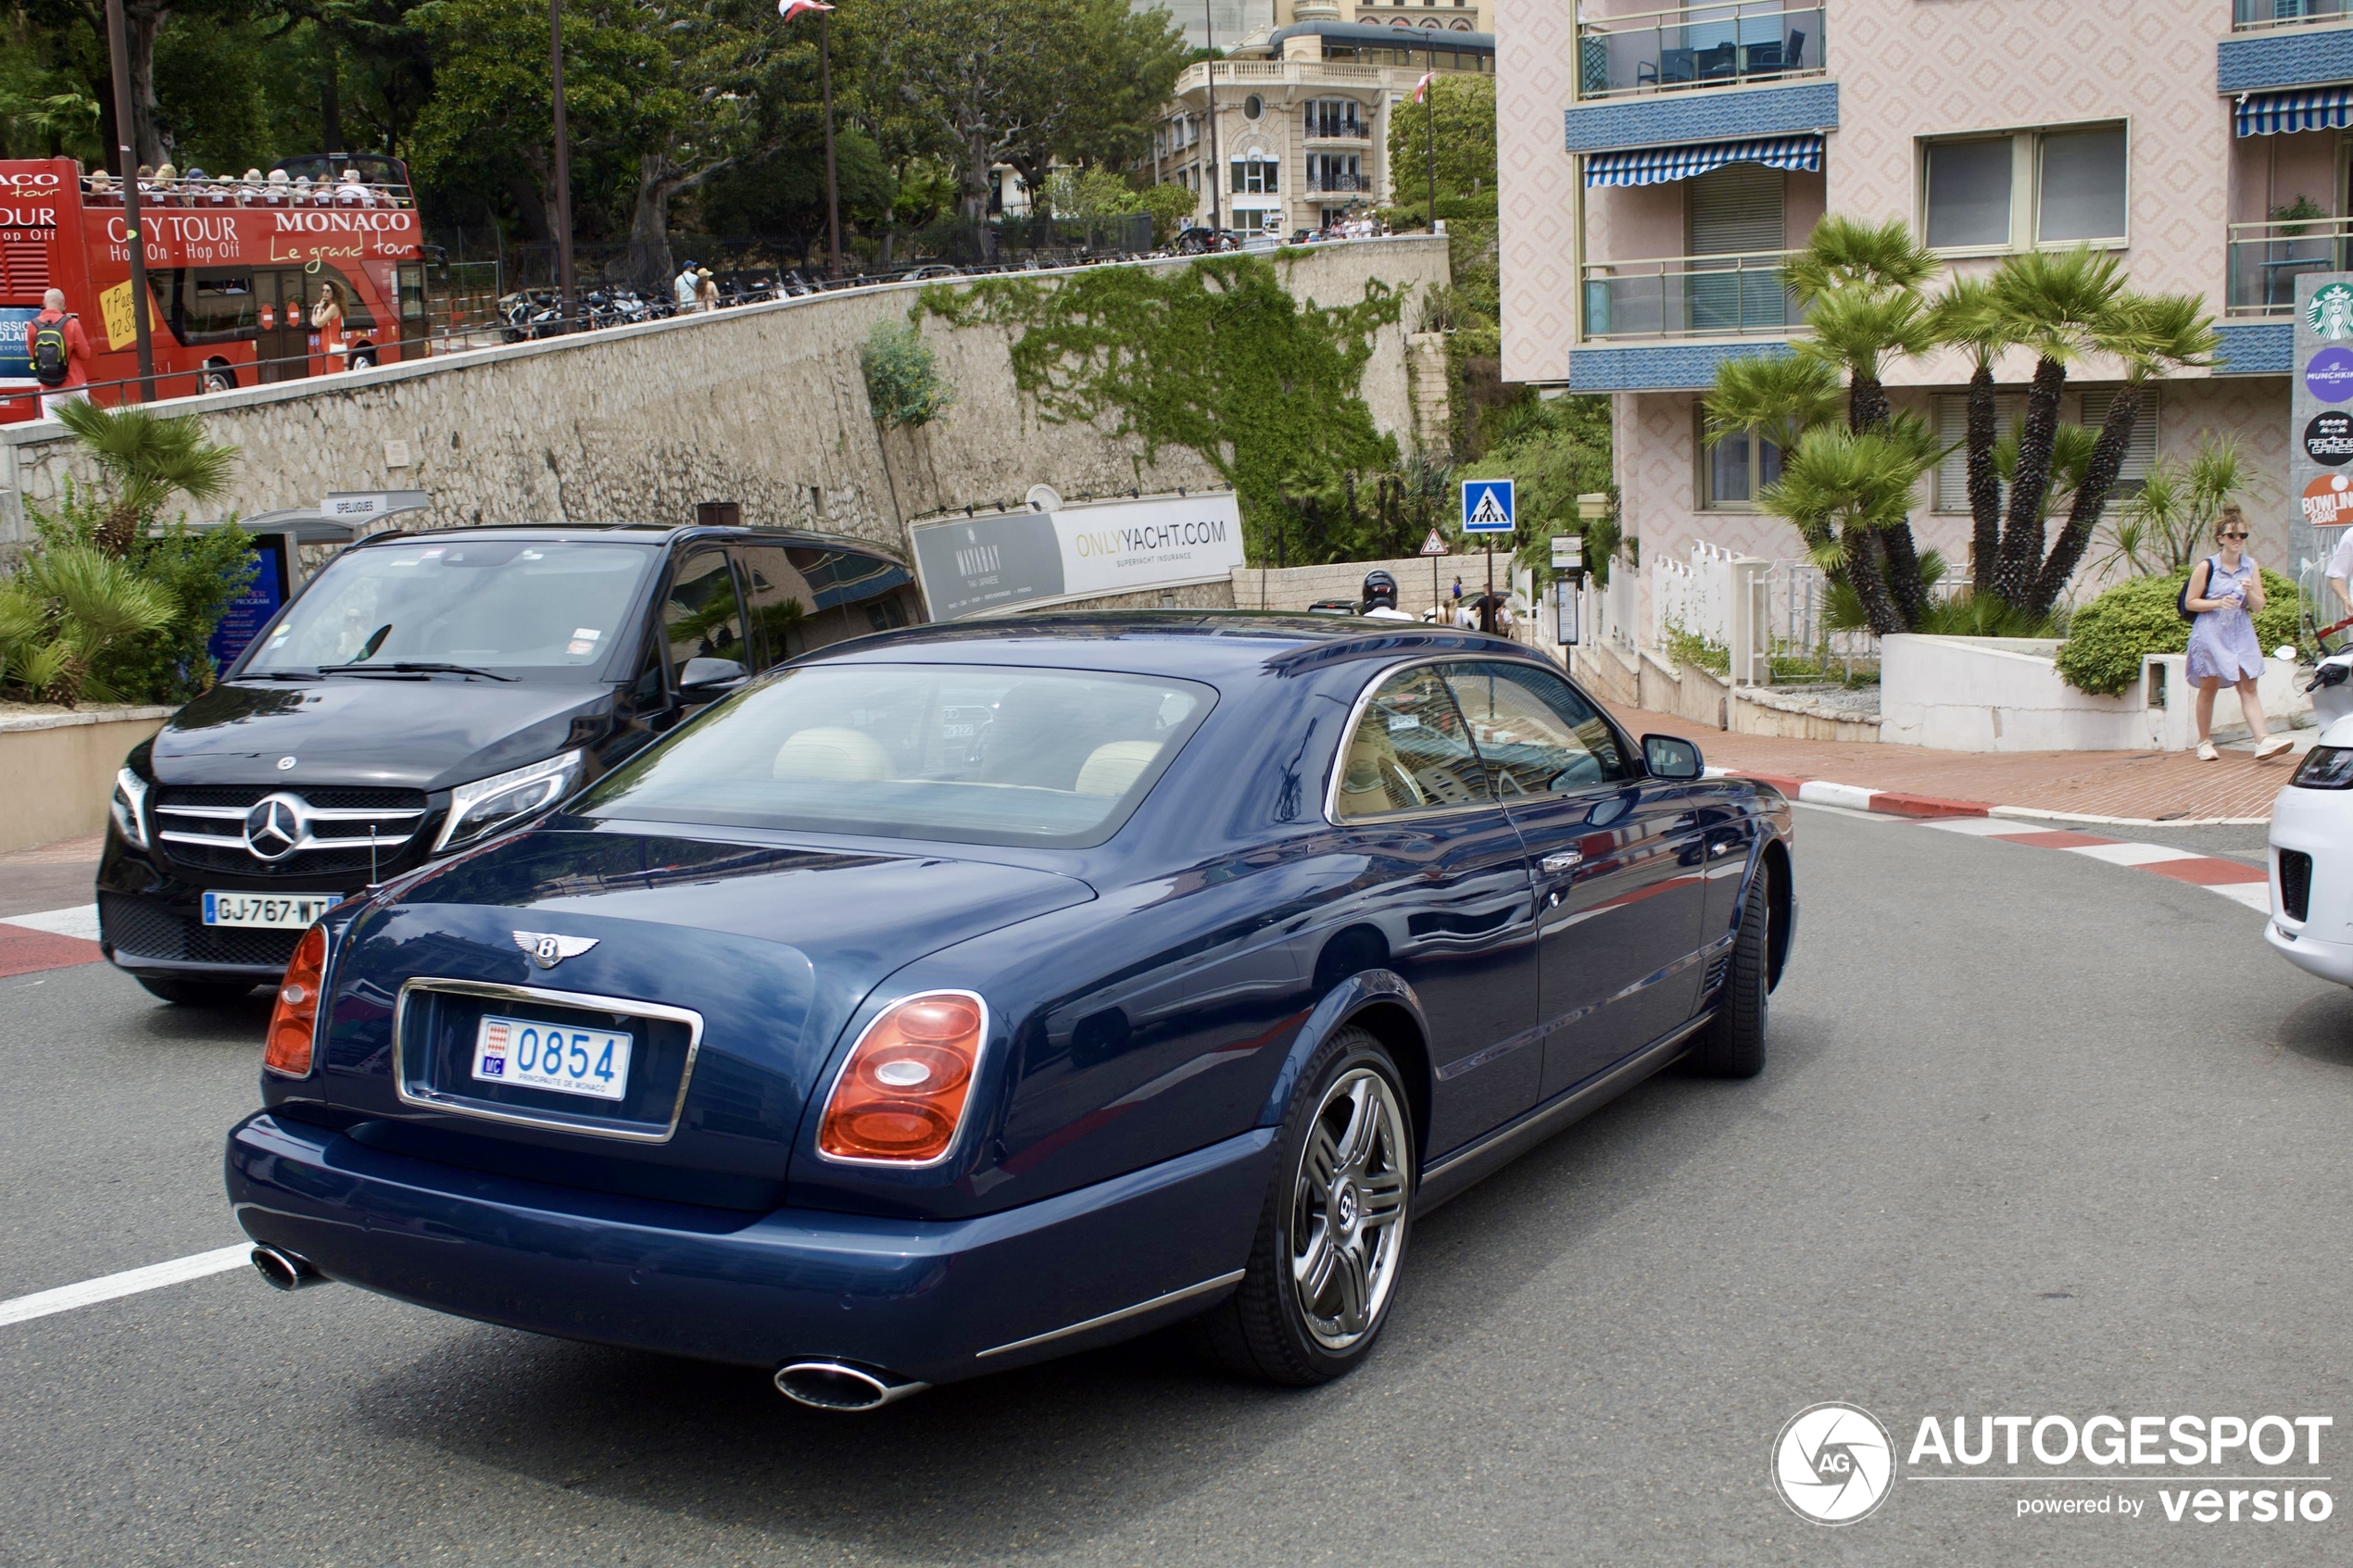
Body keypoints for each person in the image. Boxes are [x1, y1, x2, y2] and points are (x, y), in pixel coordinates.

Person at [2184, 504, 2292, 762]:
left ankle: (2262, 740)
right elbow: (2190, 602)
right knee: (2209, 685)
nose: (2238, 541)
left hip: (2240, 630)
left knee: (2248, 684)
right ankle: (2204, 741)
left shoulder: (2250, 566)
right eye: (2233, 536)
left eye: (2243, 536)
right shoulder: (2207, 567)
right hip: (2211, 631)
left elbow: (2259, 606)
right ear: (2221, 538)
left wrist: (2250, 590)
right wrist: (2218, 602)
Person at [24, 287, 92, 419]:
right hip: (74, 381)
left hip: (48, 382)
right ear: (62, 302)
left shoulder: (33, 325)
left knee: (51, 427)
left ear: (44, 302)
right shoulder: (72, 323)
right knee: (83, 424)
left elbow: (33, 355)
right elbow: (85, 355)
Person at [313, 281, 346, 370]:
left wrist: (319, 308)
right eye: (323, 290)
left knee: (333, 374)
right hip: (329, 345)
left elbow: (319, 323)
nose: (324, 293)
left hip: (332, 346)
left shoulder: (333, 307)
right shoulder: (331, 307)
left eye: (328, 291)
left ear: (333, 293)